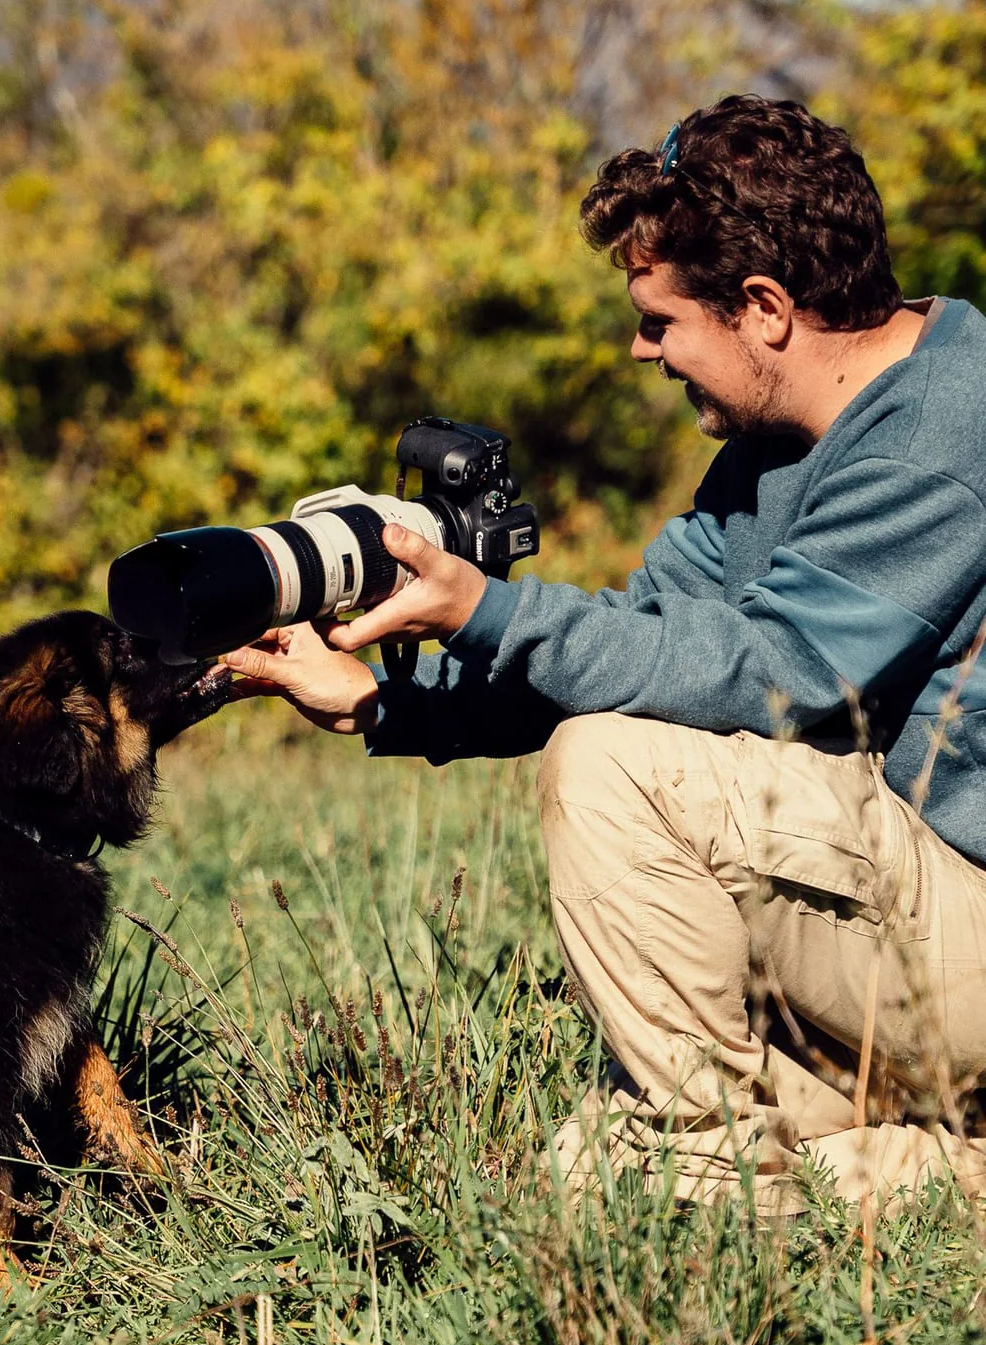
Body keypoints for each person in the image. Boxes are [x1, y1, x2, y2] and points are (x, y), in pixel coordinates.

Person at [223, 93, 986, 1214]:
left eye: (658, 320)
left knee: (611, 762)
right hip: (907, 931)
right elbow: (651, 638)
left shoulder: (941, 433)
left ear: (763, 309)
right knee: (588, 1170)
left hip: (965, 921)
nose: (640, 349)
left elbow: (766, 671)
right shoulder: (777, 441)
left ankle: (725, 1192)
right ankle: (916, 1159)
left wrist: (484, 611)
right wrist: (392, 701)